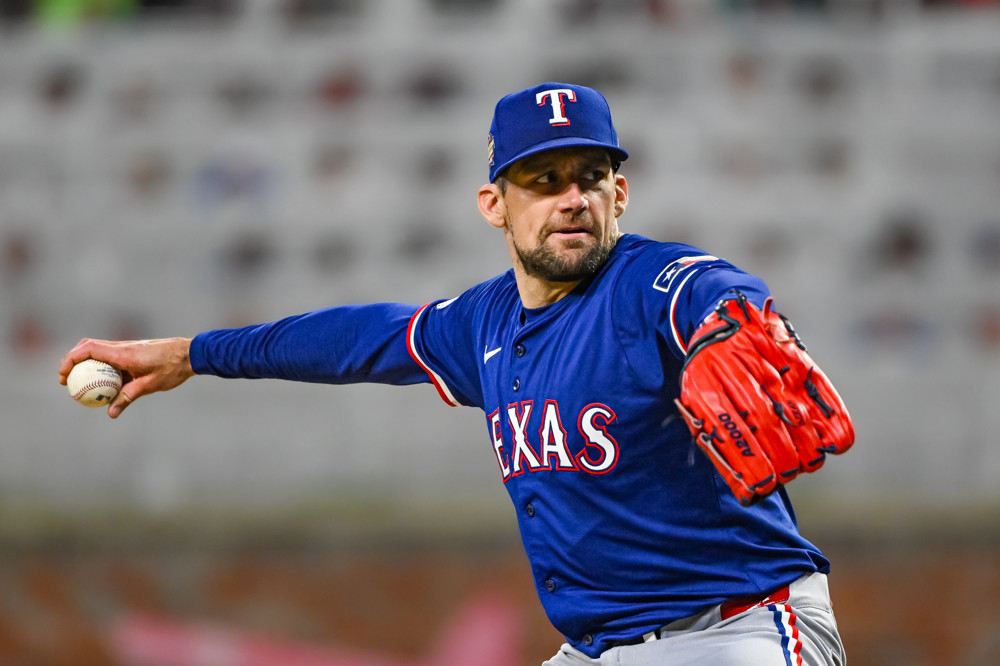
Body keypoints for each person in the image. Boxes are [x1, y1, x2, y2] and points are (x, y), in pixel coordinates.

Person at [59, 83, 854, 665]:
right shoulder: (484, 324)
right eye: (544, 181)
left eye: (589, 177)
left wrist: (727, 327)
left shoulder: (657, 287)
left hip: (739, 630)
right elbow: (355, 340)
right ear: (494, 204)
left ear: (621, 193)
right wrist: (190, 354)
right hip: (604, 649)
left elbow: (716, 295)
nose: (571, 198)